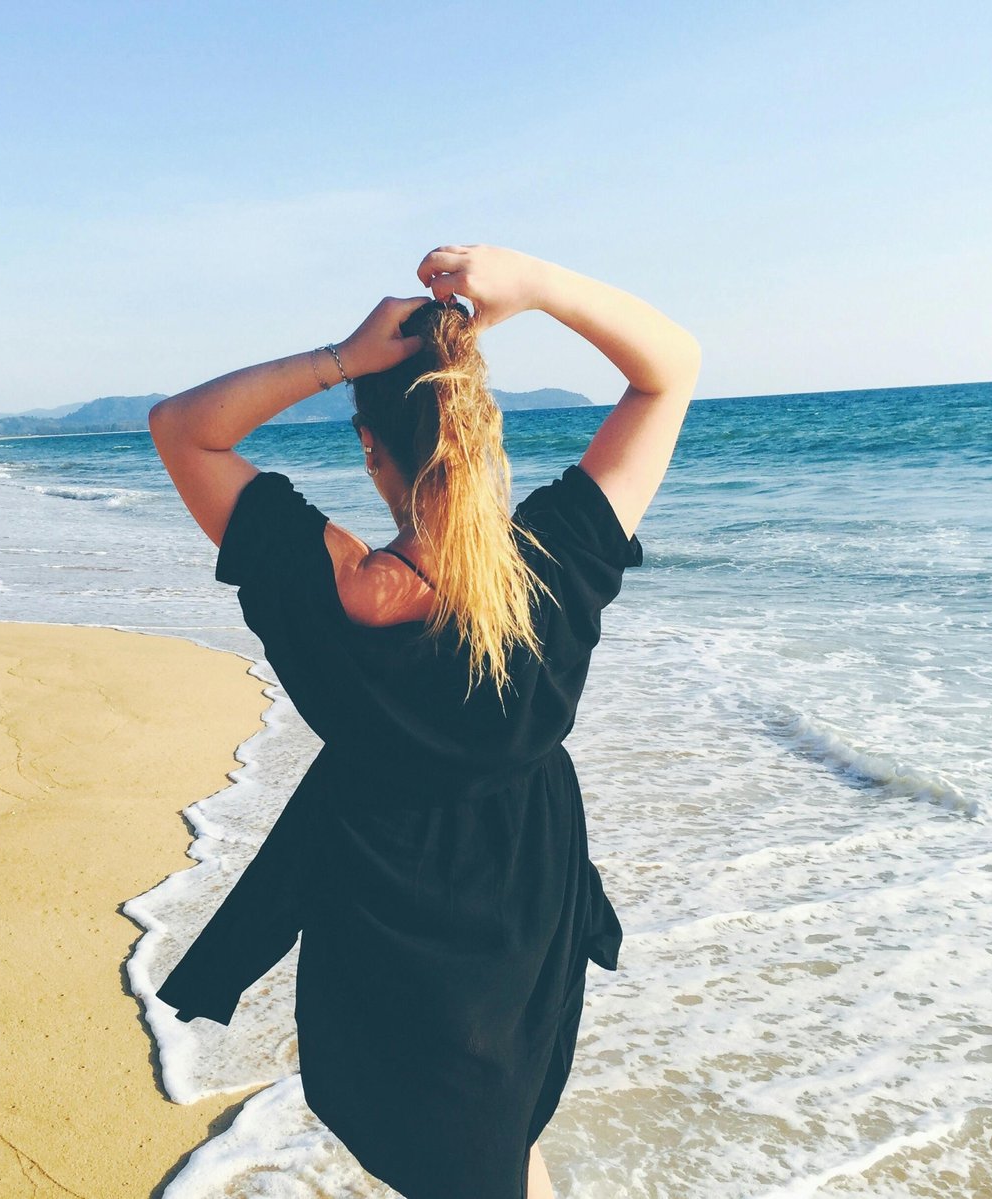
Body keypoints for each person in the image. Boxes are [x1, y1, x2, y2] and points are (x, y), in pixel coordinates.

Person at [147, 244, 700, 1199]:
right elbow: (670, 370)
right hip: (527, 890)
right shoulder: (555, 564)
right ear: (489, 439)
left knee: (448, 1142)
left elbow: (184, 430)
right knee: (500, 1122)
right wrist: (533, 287)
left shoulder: (330, 590)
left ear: (370, 449)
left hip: (380, 897)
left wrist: (342, 358)